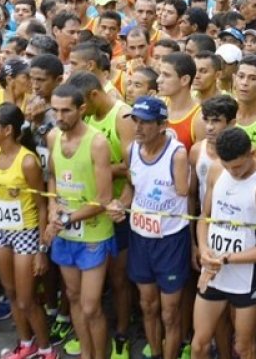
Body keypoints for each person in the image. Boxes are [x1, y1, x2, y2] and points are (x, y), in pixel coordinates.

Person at [0, 103, 56, 359]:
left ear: (7, 130)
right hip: (1, 233)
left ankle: (47, 349)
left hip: (26, 233)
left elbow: (42, 206)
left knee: (27, 299)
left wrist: (41, 249)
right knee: (12, 293)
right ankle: (25, 344)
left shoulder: (27, 162)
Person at [107, 96, 190, 359]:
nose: (138, 128)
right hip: (140, 237)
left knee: (170, 311)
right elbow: (133, 187)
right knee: (147, 305)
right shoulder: (131, 150)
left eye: (145, 123)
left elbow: (186, 194)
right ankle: (155, 353)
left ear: (162, 124)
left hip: (170, 240)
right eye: (135, 122)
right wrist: (120, 205)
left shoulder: (177, 154)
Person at [193, 126, 256, 359]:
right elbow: (204, 218)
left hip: (246, 275)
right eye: (228, 166)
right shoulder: (215, 170)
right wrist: (203, 250)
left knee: (244, 347)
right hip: (213, 269)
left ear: (252, 153)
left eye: (239, 167)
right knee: (199, 344)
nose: (234, 173)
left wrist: (227, 258)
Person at [44, 84, 115, 359]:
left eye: (65, 111)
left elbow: (104, 198)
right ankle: (86, 353)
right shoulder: (52, 137)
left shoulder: (97, 142)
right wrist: (52, 207)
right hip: (64, 231)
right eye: (55, 110)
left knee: (90, 306)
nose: (59, 116)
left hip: (93, 234)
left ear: (82, 109)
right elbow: (51, 175)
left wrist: (63, 218)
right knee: (72, 297)